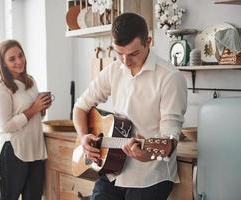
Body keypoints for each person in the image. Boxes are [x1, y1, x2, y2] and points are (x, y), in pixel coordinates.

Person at [73, 13, 187, 200]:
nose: (126, 61)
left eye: (134, 53)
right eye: (119, 54)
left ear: (148, 41)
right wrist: (83, 136)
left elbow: (170, 139)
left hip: (150, 178)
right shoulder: (113, 70)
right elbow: (80, 107)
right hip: (112, 171)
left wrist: (146, 155)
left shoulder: (170, 78)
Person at [0, 39, 52, 200]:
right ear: (3, 63)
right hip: (14, 151)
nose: (19, 61)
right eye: (12, 59)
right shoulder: (2, 89)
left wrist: (42, 108)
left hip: (36, 150)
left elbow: (35, 117)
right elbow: (6, 125)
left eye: (20, 55)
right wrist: (33, 109)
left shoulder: (31, 81)